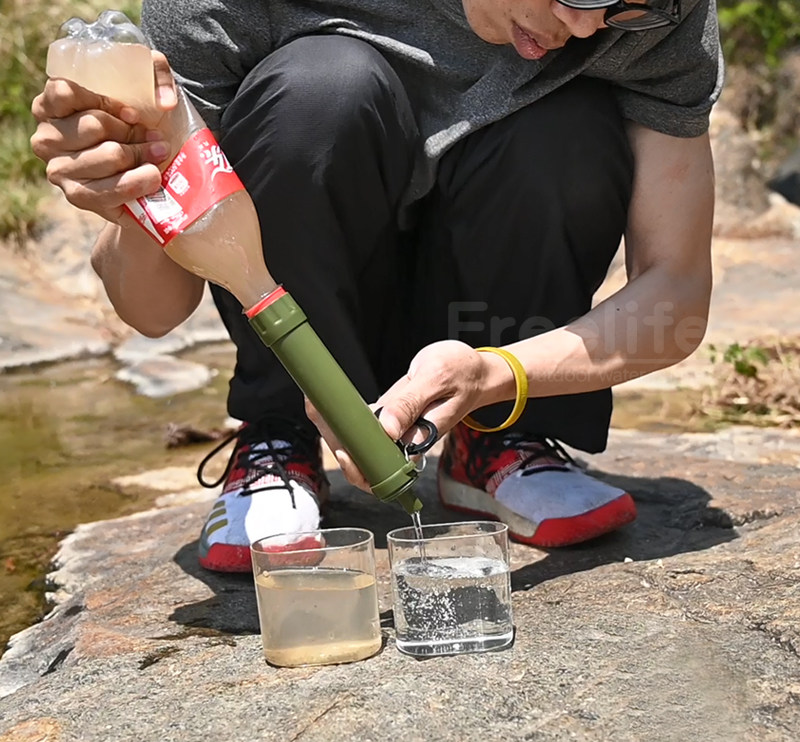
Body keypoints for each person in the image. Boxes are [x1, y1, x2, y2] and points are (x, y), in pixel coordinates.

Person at [31, 0, 722, 572]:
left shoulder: (655, 13)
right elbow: (154, 312)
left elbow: (678, 290)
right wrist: (133, 194)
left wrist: (498, 375)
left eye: (626, 7)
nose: (587, 26)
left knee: (568, 124)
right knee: (321, 89)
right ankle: (282, 434)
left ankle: (497, 438)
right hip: (304, 300)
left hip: (494, 331)